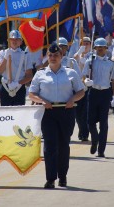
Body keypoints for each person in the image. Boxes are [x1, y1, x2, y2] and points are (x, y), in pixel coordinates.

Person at [29, 42, 84, 189]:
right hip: (48, 112)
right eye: (50, 55)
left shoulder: (70, 73)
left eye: (56, 55)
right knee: (50, 146)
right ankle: (51, 178)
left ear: (62, 56)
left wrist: (72, 99)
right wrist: (42, 101)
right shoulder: (40, 74)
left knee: (63, 145)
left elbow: (81, 91)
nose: (53, 58)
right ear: (47, 56)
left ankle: (63, 177)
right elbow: (32, 93)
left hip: (66, 111)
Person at [82, 37, 114, 157]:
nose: (100, 49)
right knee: (90, 121)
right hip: (93, 92)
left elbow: (113, 80)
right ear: (95, 48)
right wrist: (86, 80)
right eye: (98, 47)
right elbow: (84, 76)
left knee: (104, 123)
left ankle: (101, 149)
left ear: (106, 48)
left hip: (105, 93)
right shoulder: (90, 61)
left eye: (102, 47)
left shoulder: (111, 63)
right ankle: (94, 139)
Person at [0, 30, 33, 106]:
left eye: (17, 39)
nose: (14, 41)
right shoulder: (3, 53)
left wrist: (17, 83)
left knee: (19, 113)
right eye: (12, 39)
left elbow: (29, 76)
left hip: (19, 87)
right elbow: (0, 71)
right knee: (6, 114)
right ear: (8, 40)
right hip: (5, 86)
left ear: (21, 41)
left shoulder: (25, 55)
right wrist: (6, 57)